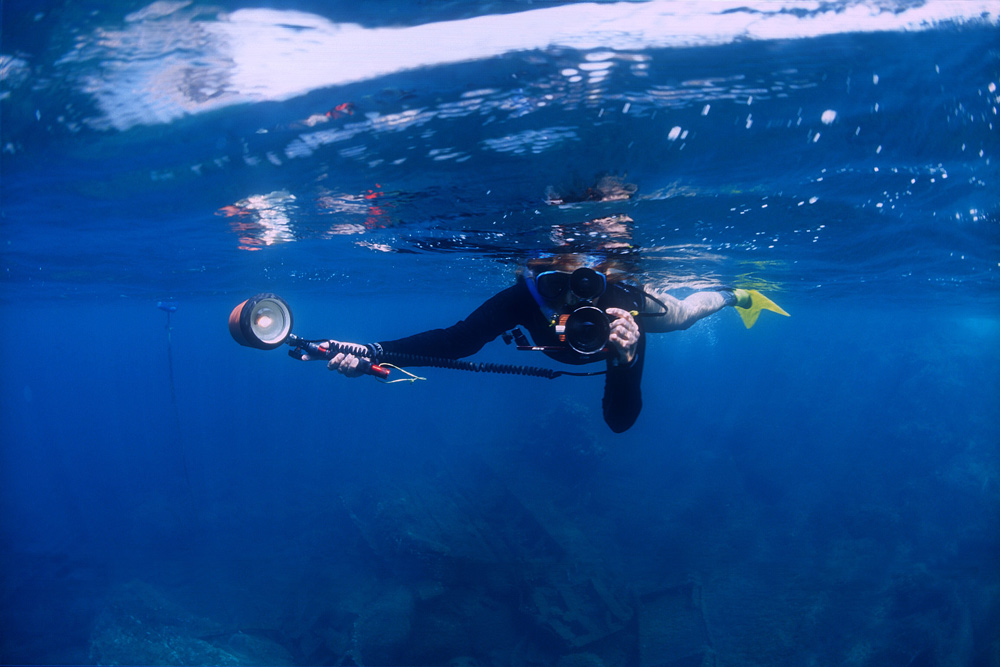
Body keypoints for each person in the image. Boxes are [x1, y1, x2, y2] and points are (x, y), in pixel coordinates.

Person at [304, 256, 788, 433]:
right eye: (554, 284)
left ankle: (736, 293)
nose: (569, 301)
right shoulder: (521, 298)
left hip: (627, 319)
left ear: (602, 277)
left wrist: (626, 357)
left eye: (583, 282)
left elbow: (620, 422)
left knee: (683, 316)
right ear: (532, 272)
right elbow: (455, 343)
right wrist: (371, 350)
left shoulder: (621, 305)